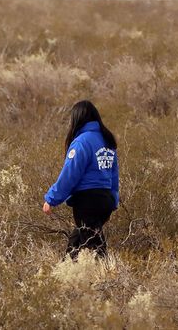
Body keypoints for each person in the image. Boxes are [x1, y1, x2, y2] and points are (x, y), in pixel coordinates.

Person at [43, 100, 119, 259]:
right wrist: (114, 199)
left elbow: (69, 175)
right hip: (105, 200)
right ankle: (64, 273)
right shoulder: (107, 140)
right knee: (79, 238)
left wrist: (51, 199)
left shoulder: (82, 142)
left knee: (95, 245)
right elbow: (114, 174)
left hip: (87, 202)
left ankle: (107, 277)